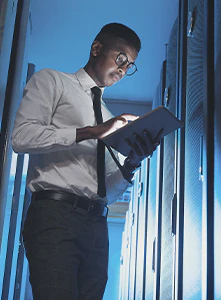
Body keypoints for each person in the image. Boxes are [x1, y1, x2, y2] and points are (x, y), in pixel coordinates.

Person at [11, 23, 158, 299]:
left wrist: (132, 163)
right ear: (96, 48)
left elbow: (107, 192)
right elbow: (21, 137)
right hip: (55, 216)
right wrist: (92, 131)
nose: (124, 70)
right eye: (121, 58)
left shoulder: (108, 116)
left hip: (96, 225)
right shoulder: (52, 81)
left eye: (130, 66)